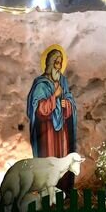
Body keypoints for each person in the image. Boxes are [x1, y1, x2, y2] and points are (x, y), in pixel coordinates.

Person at [27, 45, 78, 189]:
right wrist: (54, 97)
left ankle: (63, 189)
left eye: (61, 63)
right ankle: (47, 190)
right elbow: (38, 109)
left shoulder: (63, 81)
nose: (59, 66)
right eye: (56, 62)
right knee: (49, 160)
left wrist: (66, 104)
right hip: (47, 131)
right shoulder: (40, 84)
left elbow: (70, 102)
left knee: (62, 157)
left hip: (62, 131)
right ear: (49, 64)